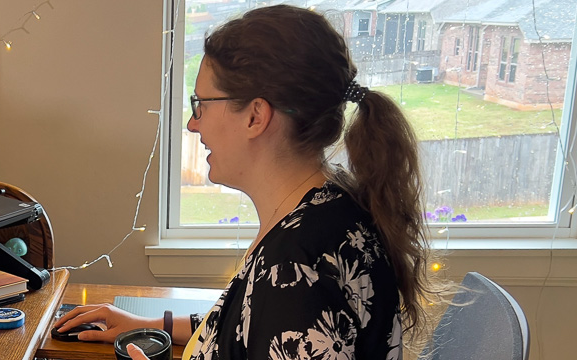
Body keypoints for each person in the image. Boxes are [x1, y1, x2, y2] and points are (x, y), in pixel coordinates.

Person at [53, 5, 438, 360]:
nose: (193, 123)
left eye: (202, 104)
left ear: (255, 116)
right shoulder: (330, 205)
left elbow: (284, 313)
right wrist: (154, 325)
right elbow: (251, 326)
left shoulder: (298, 269)